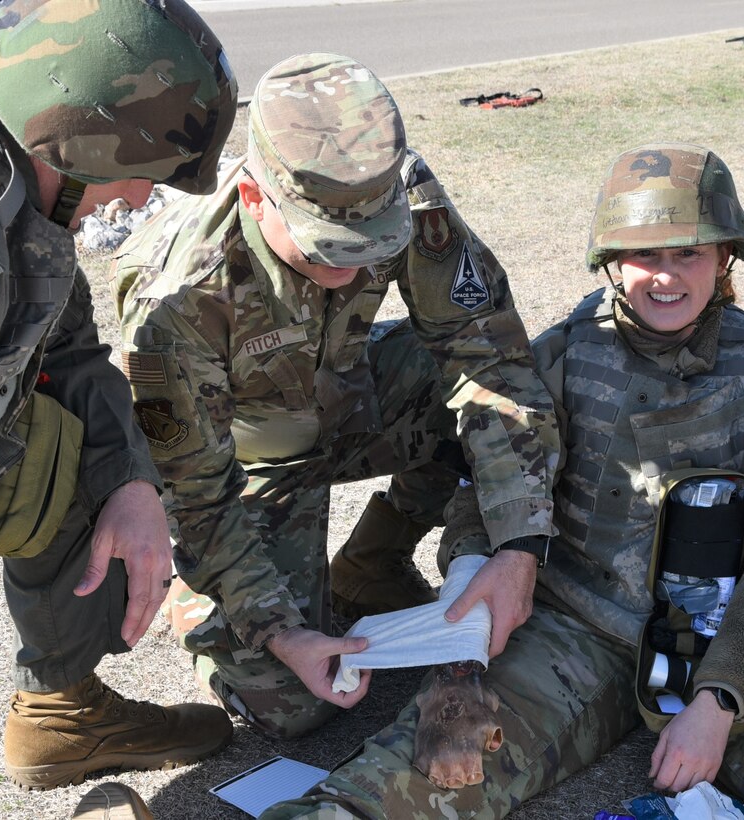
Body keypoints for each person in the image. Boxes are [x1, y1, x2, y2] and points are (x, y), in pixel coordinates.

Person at [257, 143, 744, 820]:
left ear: (724, 258)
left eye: (689, 253)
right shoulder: (561, 355)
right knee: (420, 770)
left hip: (725, 638)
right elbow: (490, 488)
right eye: (645, 254)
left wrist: (720, 700)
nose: (665, 276)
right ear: (610, 262)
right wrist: (468, 608)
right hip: (573, 634)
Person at [111, 52, 559, 739]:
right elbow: (194, 492)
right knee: (290, 706)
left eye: (370, 245)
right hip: (247, 470)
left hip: (351, 402)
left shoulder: (396, 188)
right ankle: (200, 606)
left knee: (516, 394)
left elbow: (487, 356)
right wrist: (279, 632)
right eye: (327, 249)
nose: (351, 267)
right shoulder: (174, 298)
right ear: (254, 198)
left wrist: (518, 542)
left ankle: (370, 561)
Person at [0, 0, 239, 791]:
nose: (136, 201)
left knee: (90, 452)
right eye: (146, 176)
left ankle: (63, 716)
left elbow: (67, 344)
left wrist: (129, 483)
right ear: (81, 141)